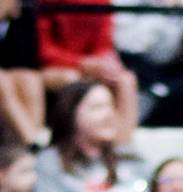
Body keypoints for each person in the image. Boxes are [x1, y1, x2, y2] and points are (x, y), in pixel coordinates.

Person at [114, 0, 183, 129]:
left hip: (173, 77)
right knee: (129, 66)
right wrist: (159, 10)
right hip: (136, 68)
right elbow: (127, 45)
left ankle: (166, 92)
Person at [36, 0, 139, 137]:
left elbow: (104, 43)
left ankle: (124, 146)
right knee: (70, 78)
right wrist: (81, 63)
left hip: (91, 66)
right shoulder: (46, 2)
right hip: (51, 68)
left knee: (125, 80)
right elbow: (42, 50)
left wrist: (103, 65)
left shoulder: (101, 2)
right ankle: (68, 142)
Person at [0, 0, 45, 147]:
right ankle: (32, 144)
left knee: (29, 78)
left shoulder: (23, 15)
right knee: (2, 81)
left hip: (9, 71)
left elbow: (26, 59)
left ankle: (34, 137)